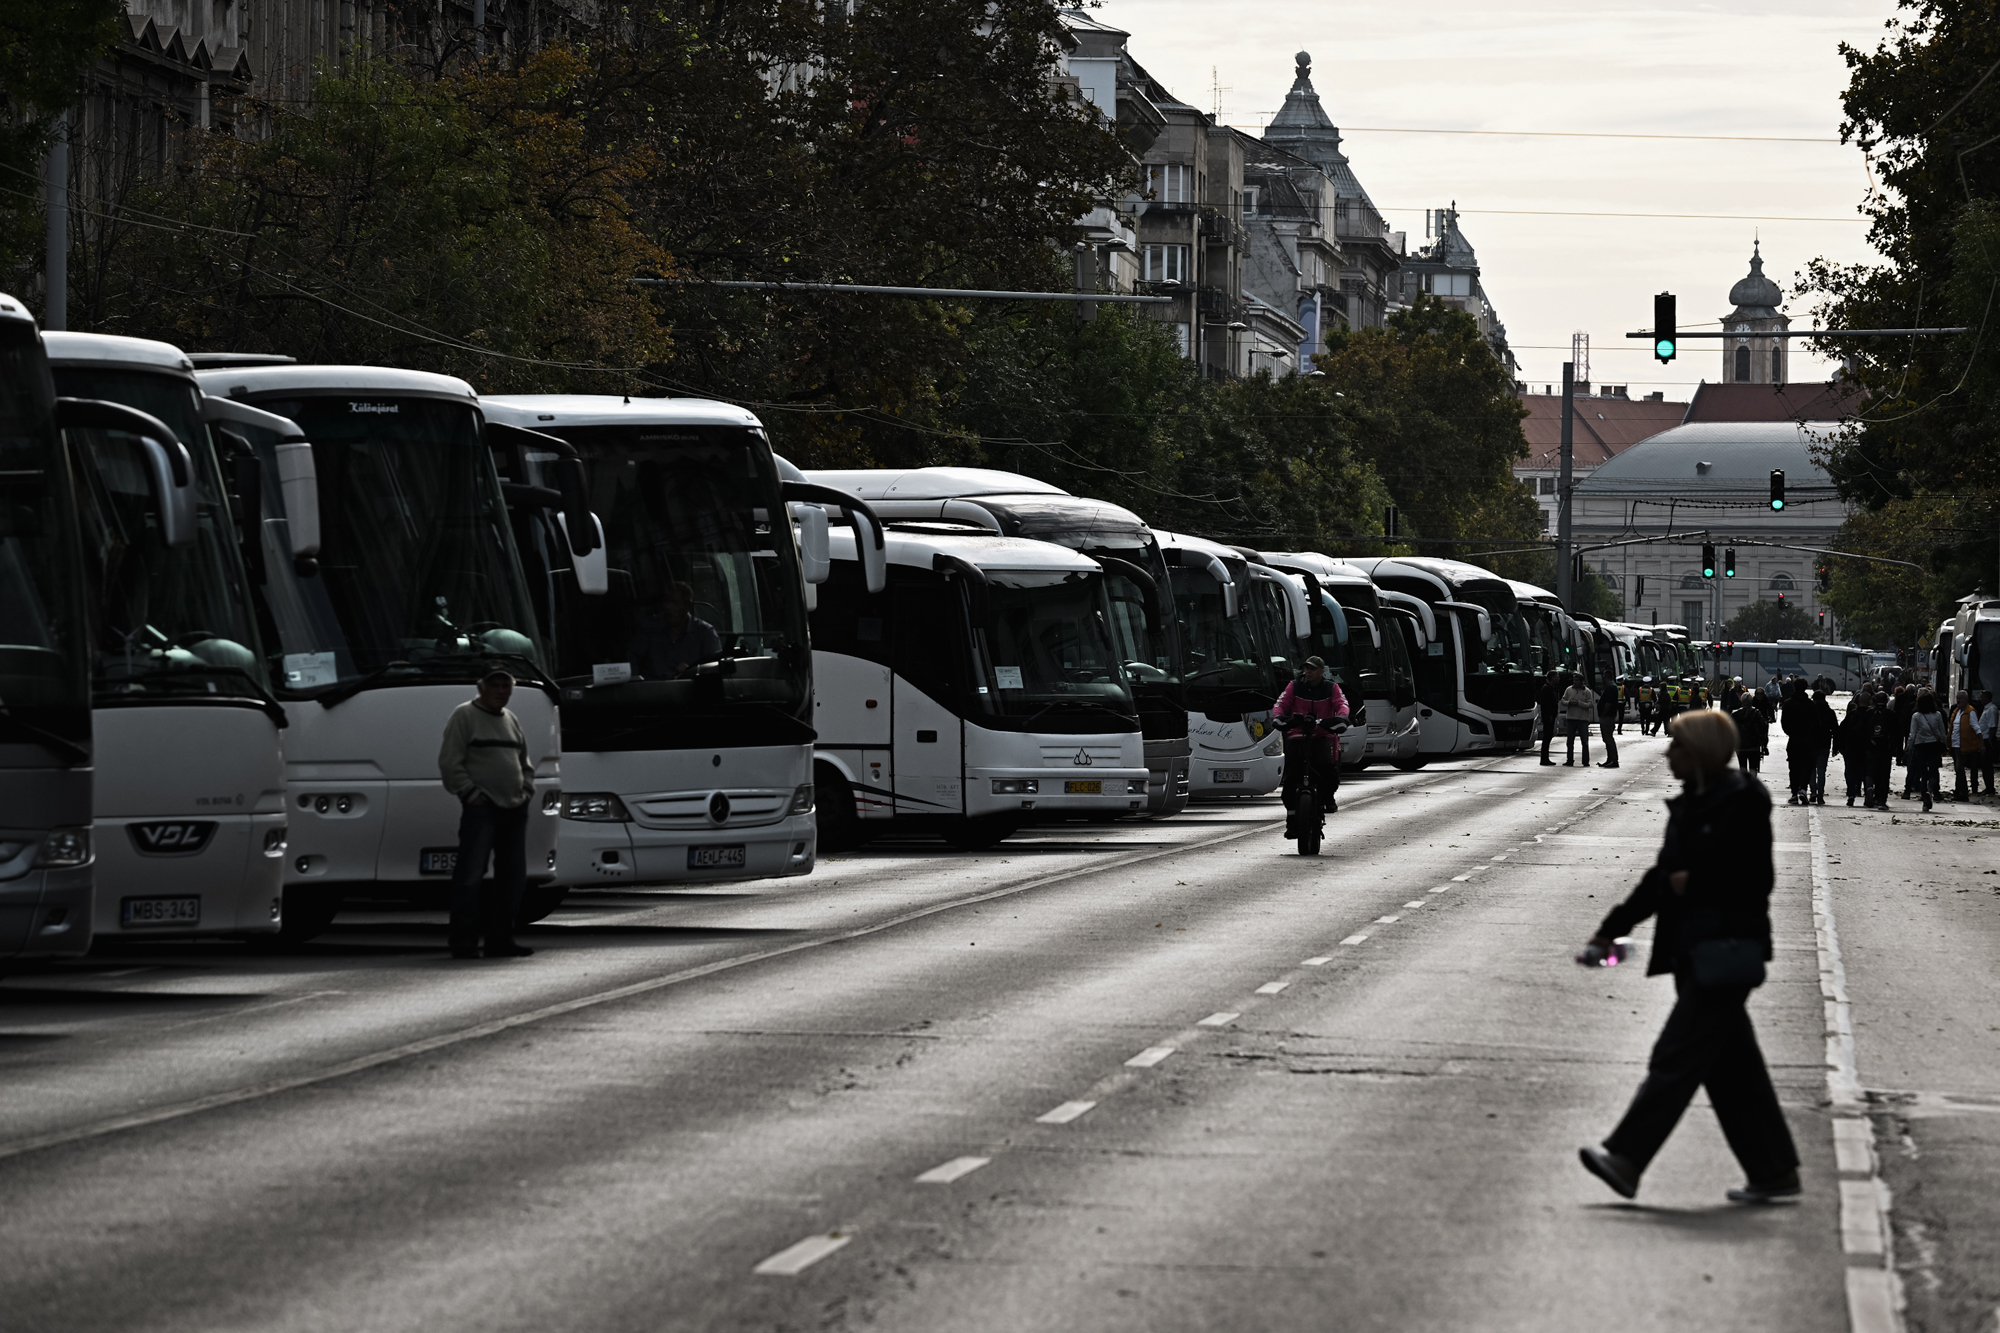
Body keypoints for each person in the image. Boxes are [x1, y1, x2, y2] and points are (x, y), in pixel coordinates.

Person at [1577, 709, 1800, 1205]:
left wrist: (1692, 883)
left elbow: (1754, 880)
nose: (1667, 754)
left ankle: (1627, 1157)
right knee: (1732, 1069)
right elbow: (1660, 880)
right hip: (1692, 950)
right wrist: (1609, 931)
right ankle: (1774, 1171)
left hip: (1724, 949)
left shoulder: (1743, 800)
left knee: (1676, 1058)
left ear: (1698, 751)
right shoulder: (1691, 805)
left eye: (1676, 745)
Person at [437, 668, 537, 959]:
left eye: (506, 685)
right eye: (494, 684)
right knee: (470, 875)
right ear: (481, 687)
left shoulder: (510, 719)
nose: (501, 690)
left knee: (512, 877)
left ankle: (501, 939)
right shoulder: (464, 715)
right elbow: (449, 762)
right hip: (483, 809)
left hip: (515, 808)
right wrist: (471, 794)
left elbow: (524, 761)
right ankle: (463, 942)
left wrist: (526, 790)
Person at [1275, 656, 1348, 829]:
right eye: (1306, 669)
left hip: (1321, 736)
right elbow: (1281, 704)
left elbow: (1342, 704)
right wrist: (1279, 717)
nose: (1308, 672)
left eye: (1313, 669)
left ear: (1322, 672)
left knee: (1327, 769)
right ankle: (1292, 818)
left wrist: (1342, 717)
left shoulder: (1332, 688)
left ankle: (1327, 797)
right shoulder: (1294, 686)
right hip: (1297, 736)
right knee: (1291, 776)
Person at [627, 580, 722, 681]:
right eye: (666, 601)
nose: (668, 607)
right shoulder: (650, 627)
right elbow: (632, 660)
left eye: (675, 603)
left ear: (688, 606)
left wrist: (692, 671)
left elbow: (714, 670)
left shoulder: (705, 633)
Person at [1908, 687, 1947, 813]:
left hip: (1920, 746)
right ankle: (1931, 790)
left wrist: (1909, 747)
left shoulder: (1916, 716)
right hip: (1934, 745)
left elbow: (1912, 734)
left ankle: (1924, 795)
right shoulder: (1937, 715)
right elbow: (1942, 732)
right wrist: (1945, 744)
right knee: (1934, 770)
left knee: (1923, 772)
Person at [1832, 689, 1870, 807]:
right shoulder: (1872, 714)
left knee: (1850, 771)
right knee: (1867, 771)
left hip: (1851, 748)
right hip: (1867, 748)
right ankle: (1868, 790)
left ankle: (1851, 794)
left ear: (1858, 701)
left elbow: (1841, 731)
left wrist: (1837, 747)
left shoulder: (1852, 715)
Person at [1864, 687, 1898, 809]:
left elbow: (1864, 731)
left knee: (1869, 771)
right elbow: (1896, 733)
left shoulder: (1868, 713)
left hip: (1870, 747)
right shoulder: (1891, 715)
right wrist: (1896, 749)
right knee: (1883, 774)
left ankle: (1868, 788)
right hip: (1885, 748)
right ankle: (1881, 800)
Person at [1947, 688, 1982, 803]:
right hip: (1956, 745)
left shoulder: (1970, 712)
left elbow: (1977, 728)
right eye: (1957, 698)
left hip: (1965, 746)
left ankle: (1963, 792)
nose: (1958, 700)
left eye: (1960, 698)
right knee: (1958, 770)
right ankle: (1960, 791)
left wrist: (1981, 744)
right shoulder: (1956, 711)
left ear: (1966, 699)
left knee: (1960, 769)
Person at [1561, 674, 1597, 766]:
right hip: (1571, 718)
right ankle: (1569, 760)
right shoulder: (1569, 689)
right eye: (1574, 680)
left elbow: (1590, 704)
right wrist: (1569, 702)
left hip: (1582, 719)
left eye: (1577, 680)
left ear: (1581, 681)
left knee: (1584, 742)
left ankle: (1585, 761)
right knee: (1570, 741)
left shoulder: (1587, 691)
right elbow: (1563, 701)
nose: (1574, 682)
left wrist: (1579, 703)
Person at [1732, 700, 1768, 774]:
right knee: (1753, 767)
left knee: (1742, 766)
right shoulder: (1756, 713)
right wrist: (1763, 742)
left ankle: (1743, 784)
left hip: (1740, 745)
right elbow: (1763, 727)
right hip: (1754, 744)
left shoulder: (1735, 714)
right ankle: (1752, 783)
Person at [1538, 670, 1563, 765]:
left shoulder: (1552, 688)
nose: (1559, 678)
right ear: (1552, 677)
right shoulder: (1546, 689)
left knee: (1548, 737)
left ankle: (1545, 758)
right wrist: (1548, 715)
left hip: (1550, 716)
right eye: (1557, 676)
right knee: (1547, 737)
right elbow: (1545, 704)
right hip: (1548, 717)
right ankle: (1544, 759)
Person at [1596, 680, 1622, 769]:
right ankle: (1610, 759)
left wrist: (1603, 714)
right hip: (1608, 716)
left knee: (1608, 739)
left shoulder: (1611, 687)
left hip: (1607, 717)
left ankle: (1613, 760)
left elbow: (1608, 703)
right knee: (1607, 738)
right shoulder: (1612, 687)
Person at [1978, 691, 1999, 798]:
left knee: (1987, 765)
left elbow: (1992, 727)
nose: (1980, 699)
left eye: (1982, 697)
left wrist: (1989, 742)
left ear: (1987, 698)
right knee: (1985, 766)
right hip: (1984, 739)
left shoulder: (1991, 709)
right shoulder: (1987, 709)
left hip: (1987, 739)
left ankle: (1990, 788)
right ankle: (1988, 786)